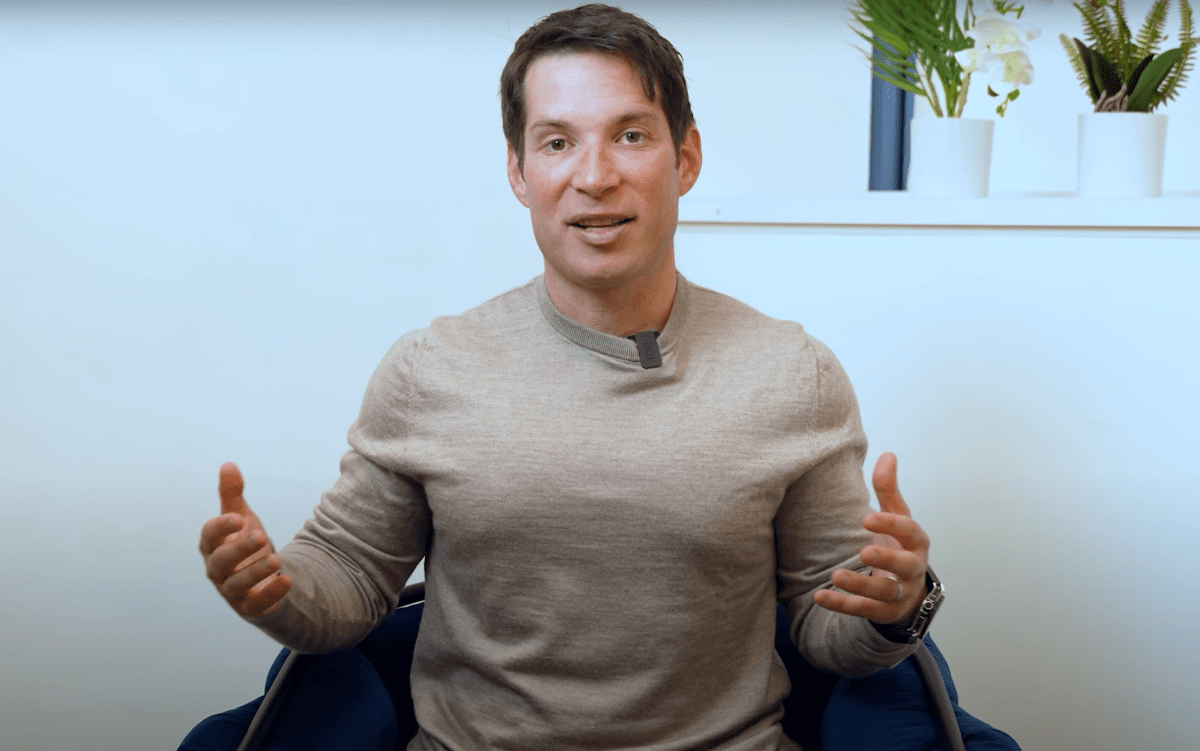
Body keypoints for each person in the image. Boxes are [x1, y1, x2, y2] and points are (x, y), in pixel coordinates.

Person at [196, 5, 938, 750]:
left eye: (631, 136)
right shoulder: (430, 368)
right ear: (519, 172)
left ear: (685, 158)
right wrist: (274, 587)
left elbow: (830, 625)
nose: (595, 177)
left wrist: (897, 605)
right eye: (558, 142)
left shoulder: (792, 373)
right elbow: (349, 577)